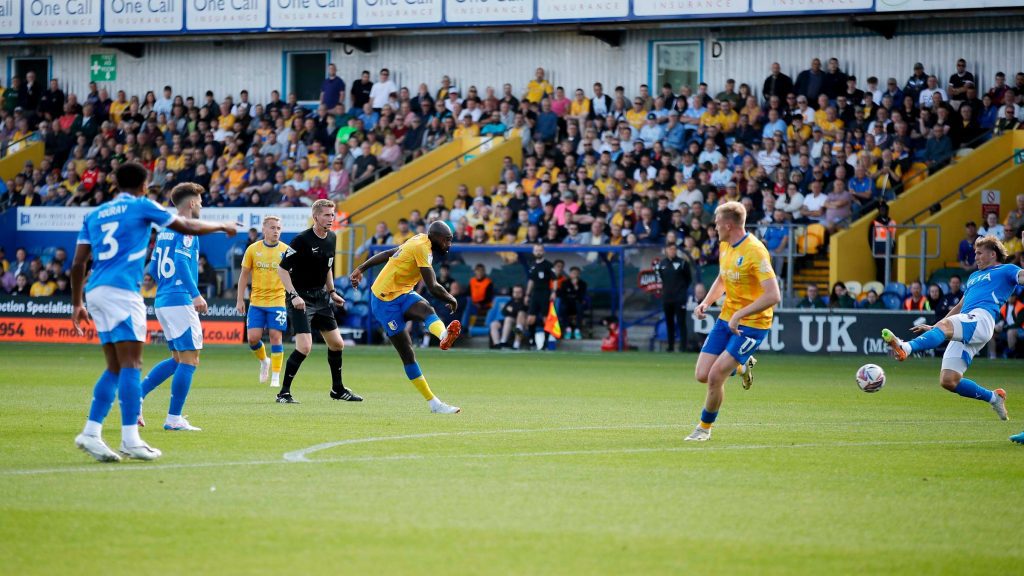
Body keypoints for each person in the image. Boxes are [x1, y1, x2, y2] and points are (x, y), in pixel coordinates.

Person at [70, 163, 237, 463]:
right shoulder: (142, 206)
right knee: (133, 364)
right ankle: (131, 438)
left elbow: (78, 264)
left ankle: (92, 432)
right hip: (125, 292)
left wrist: (76, 304)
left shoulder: (94, 214)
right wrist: (222, 225)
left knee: (116, 367)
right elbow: (186, 227)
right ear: (144, 185)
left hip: (95, 291)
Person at [882, 233, 1024, 425]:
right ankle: (994, 398)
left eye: (980, 253)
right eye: (975, 253)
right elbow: (960, 306)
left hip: (982, 319)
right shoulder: (974, 276)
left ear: (993, 254)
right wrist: (936, 325)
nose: (976, 257)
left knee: (942, 331)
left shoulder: (1007, 270)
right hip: (968, 320)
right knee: (949, 380)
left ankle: (905, 347)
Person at [688, 202, 780, 442]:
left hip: (753, 324)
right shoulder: (725, 245)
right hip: (727, 317)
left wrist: (740, 314)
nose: (714, 228)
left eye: (717, 223)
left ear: (728, 225)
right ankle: (741, 365)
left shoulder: (755, 251)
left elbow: (773, 295)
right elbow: (722, 277)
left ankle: (703, 429)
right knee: (702, 374)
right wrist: (707, 302)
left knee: (716, 376)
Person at [348, 221, 462, 414]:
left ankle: (444, 336)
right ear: (435, 237)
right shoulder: (421, 247)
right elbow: (433, 286)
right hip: (384, 301)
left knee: (426, 310)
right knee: (407, 353)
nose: (448, 244)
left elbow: (388, 253)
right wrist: (452, 299)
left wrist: (361, 268)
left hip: (402, 293)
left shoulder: (420, 238)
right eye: (446, 240)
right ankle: (434, 403)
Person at [137, 183, 210, 432]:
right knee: (190, 360)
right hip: (180, 300)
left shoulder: (165, 229)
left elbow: (154, 266)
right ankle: (174, 418)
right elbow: (179, 260)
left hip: (163, 300)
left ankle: (136, 395)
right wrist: (195, 295)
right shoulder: (187, 228)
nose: (201, 204)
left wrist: (166, 286)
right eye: (199, 200)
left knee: (178, 358)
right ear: (191, 203)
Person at [276, 199, 361, 404]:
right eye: (326, 215)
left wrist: (332, 292)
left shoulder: (332, 237)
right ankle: (283, 393)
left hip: (321, 297)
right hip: (301, 298)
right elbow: (282, 269)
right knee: (305, 347)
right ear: (315, 217)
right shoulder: (301, 240)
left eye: (333, 215)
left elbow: (327, 268)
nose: (331, 219)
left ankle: (337, 389)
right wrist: (294, 295)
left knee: (337, 344)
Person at [236, 216, 290, 388]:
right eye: (273, 228)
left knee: (276, 336)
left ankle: (275, 377)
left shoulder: (286, 250)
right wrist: (240, 299)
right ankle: (264, 361)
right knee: (253, 338)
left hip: (277, 300)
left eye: (279, 228)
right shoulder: (253, 249)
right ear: (264, 230)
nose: (276, 231)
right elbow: (244, 275)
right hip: (257, 301)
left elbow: (293, 275)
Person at [656, 242, 692, 352]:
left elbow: (688, 279)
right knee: (669, 322)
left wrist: (681, 291)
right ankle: (670, 346)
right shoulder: (662, 264)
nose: (672, 251)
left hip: (679, 298)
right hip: (667, 298)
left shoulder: (682, 263)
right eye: (670, 249)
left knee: (681, 322)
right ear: (666, 250)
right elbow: (661, 279)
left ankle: (683, 346)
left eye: (674, 249)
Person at [525, 244, 555, 350]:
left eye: (540, 250)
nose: (538, 252)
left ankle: (545, 343)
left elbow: (554, 279)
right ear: (533, 252)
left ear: (544, 252)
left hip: (545, 293)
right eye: (536, 250)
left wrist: (553, 292)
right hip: (535, 294)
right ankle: (531, 341)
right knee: (530, 319)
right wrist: (527, 294)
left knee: (545, 319)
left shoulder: (548, 265)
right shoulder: (532, 265)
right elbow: (531, 281)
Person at [490, 285, 527, 349]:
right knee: (493, 324)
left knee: (509, 319)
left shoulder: (525, 302)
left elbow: (521, 310)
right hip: (508, 325)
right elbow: (504, 312)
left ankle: (509, 343)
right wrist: (512, 311)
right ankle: (497, 345)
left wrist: (512, 310)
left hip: (518, 328)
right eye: (515, 292)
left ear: (522, 293)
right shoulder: (510, 302)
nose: (517, 294)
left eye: (519, 292)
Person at [558, 266, 588, 340]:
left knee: (580, 307)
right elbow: (562, 295)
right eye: (573, 273)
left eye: (576, 273)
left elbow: (581, 296)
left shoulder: (582, 284)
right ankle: (568, 329)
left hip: (577, 304)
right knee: (563, 307)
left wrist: (576, 288)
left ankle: (577, 330)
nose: (575, 275)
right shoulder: (565, 283)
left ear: (579, 275)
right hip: (567, 304)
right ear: (570, 274)